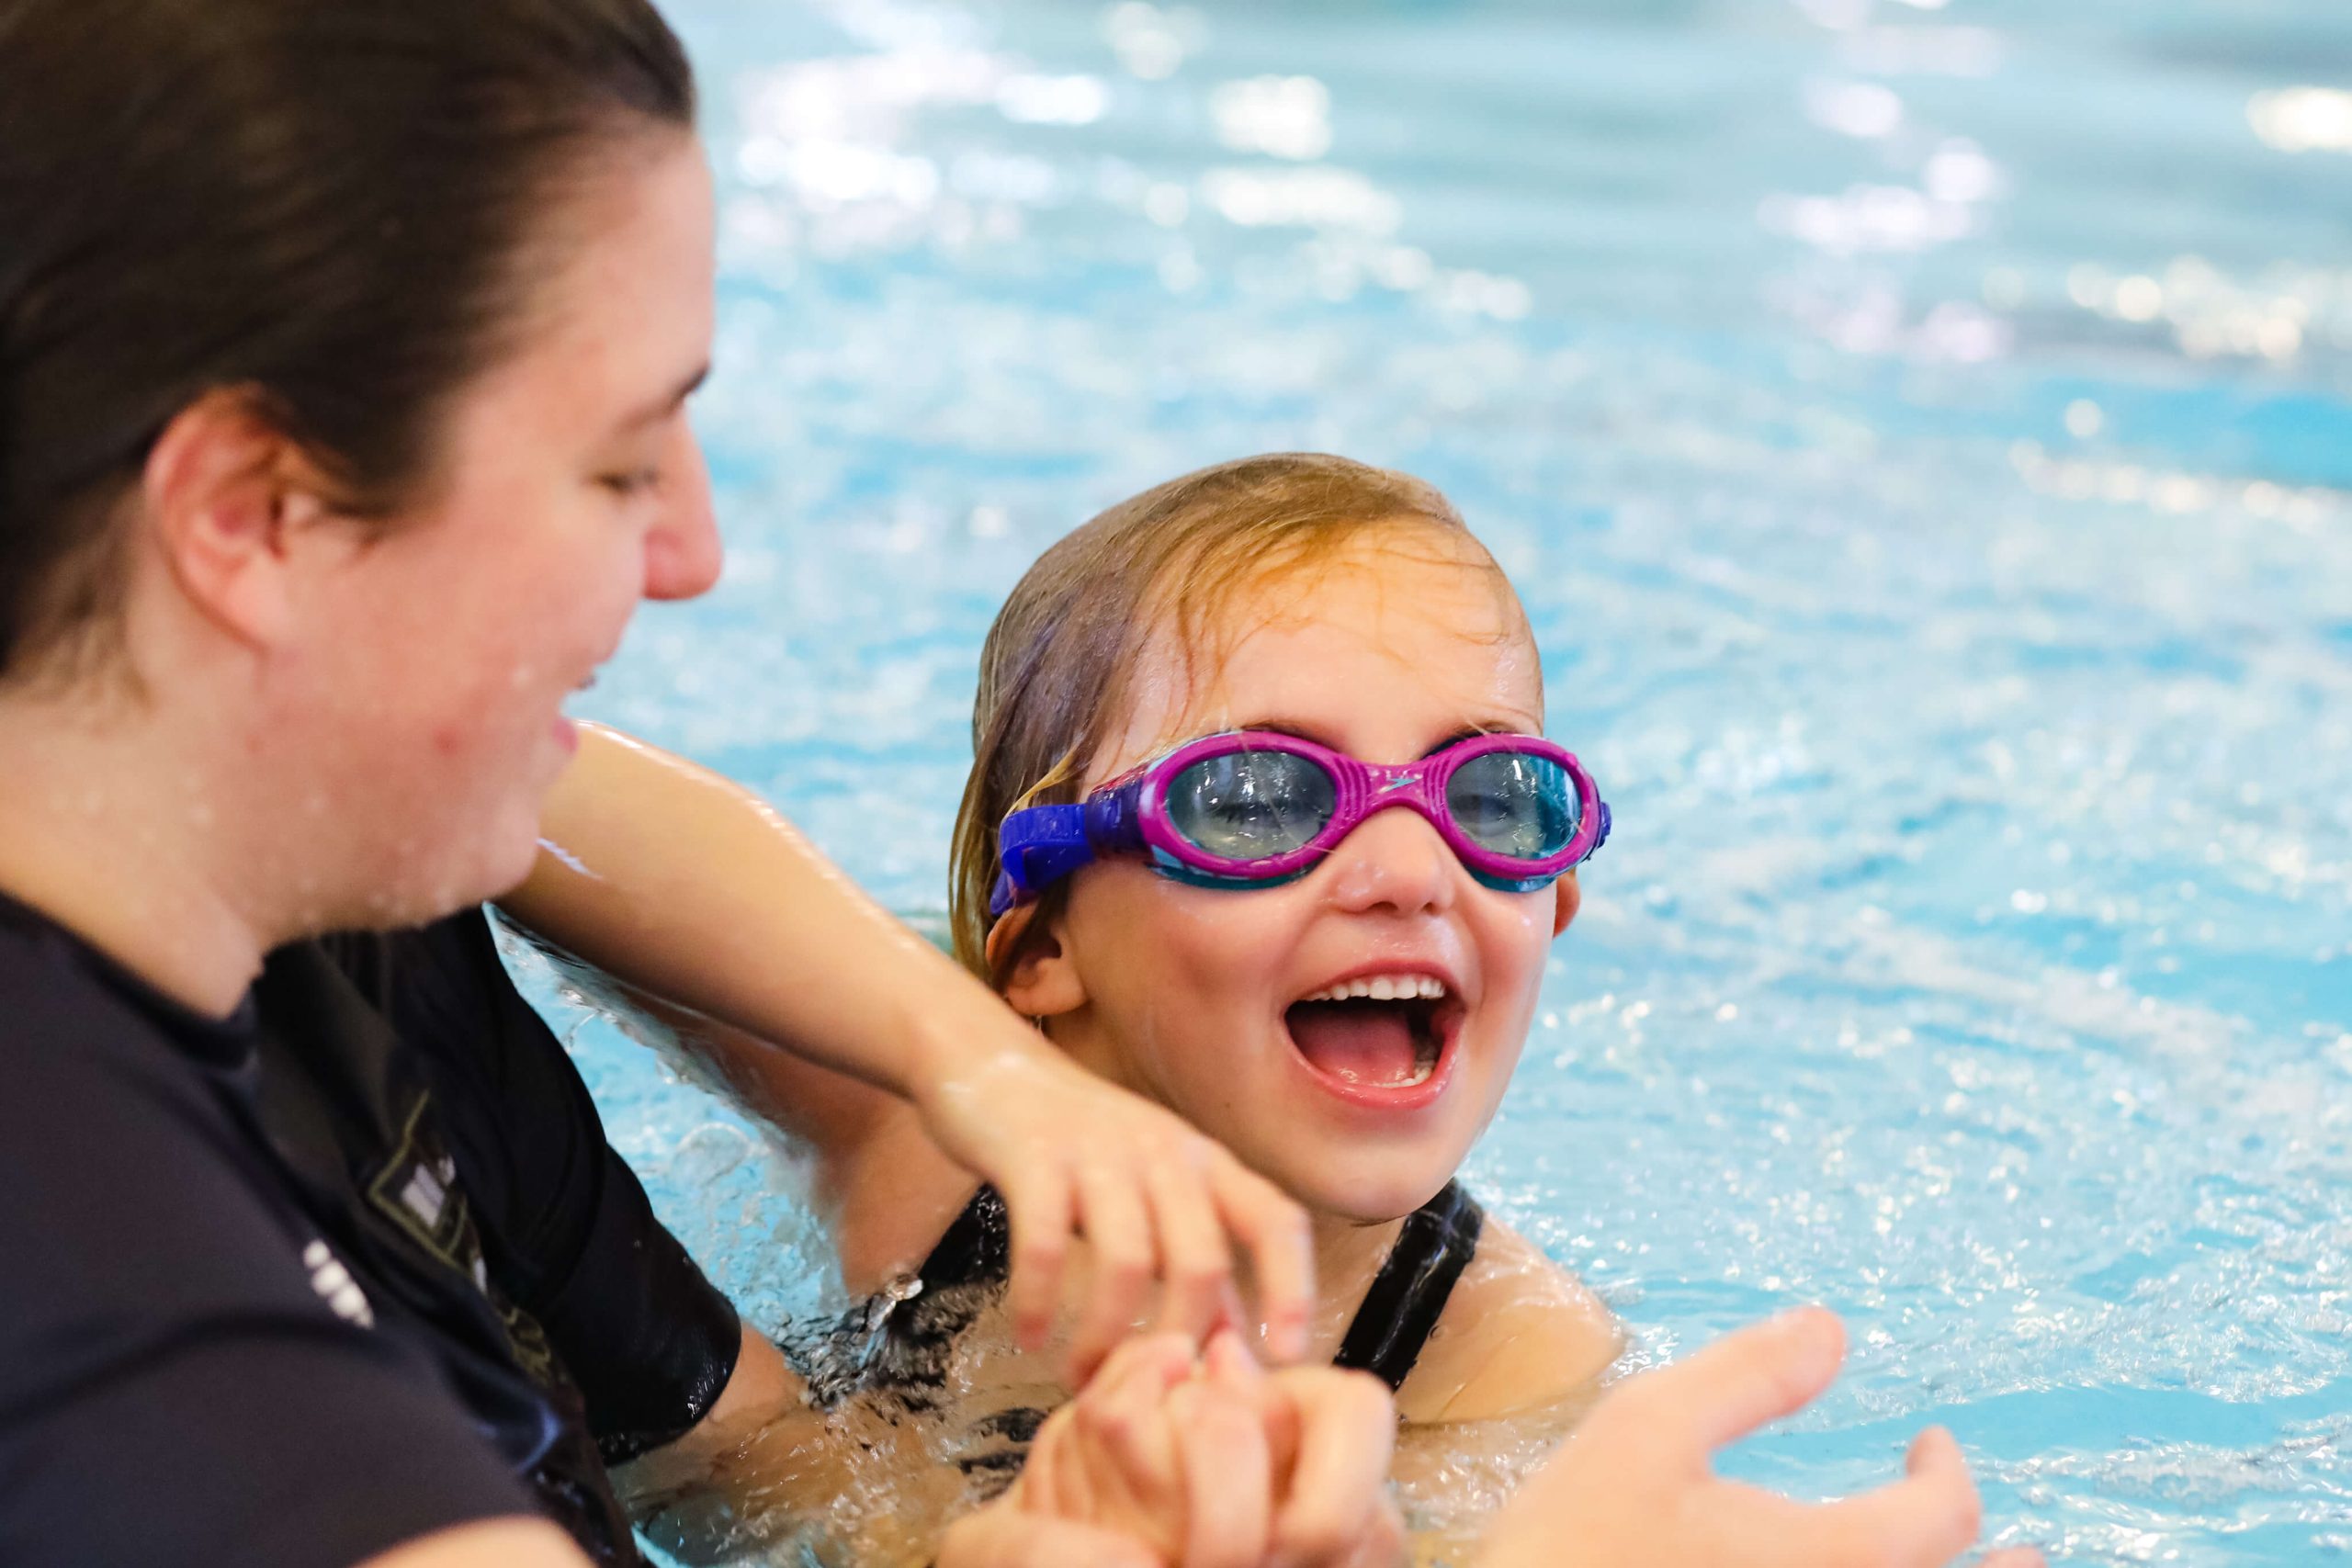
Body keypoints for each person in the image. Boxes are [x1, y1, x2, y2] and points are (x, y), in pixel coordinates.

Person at [0, 5, 1321, 1565]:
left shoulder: (327, 912)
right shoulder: (117, 1289)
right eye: (621, 465)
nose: (695, 554)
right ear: (253, 517)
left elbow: (742, 1453)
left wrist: (984, 1077)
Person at [520, 457, 2037, 1567]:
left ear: (1552, 903)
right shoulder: (925, 1113)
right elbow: (517, 790)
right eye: (1255, 798)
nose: (1406, 869)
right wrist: (960, 1054)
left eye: (1492, 795)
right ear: (1044, 954)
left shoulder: (1493, 1364)